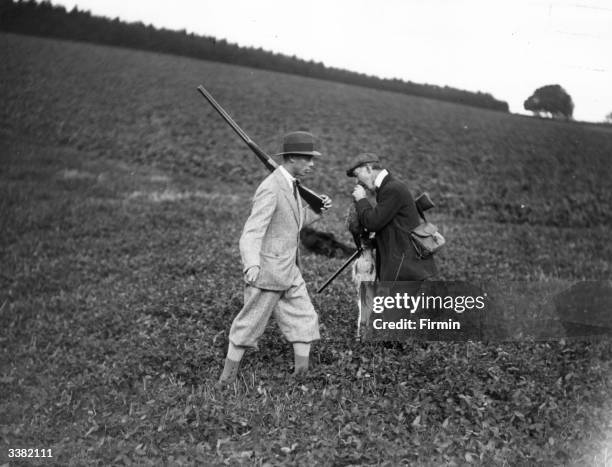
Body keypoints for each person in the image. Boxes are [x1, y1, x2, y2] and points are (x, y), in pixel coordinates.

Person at [217, 131, 332, 387]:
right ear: (292, 158)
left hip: (289, 270)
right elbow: (252, 230)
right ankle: (225, 381)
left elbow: (292, 223)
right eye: (308, 158)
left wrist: (316, 209)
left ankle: (301, 377)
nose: (312, 163)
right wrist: (252, 264)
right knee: (248, 325)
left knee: (305, 318)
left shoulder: (291, 185)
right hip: (267, 271)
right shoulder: (270, 188)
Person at [348, 153, 436, 282]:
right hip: (402, 266)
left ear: (368, 168)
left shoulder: (392, 189)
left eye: (357, 175)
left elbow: (372, 222)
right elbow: (393, 228)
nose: (357, 181)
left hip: (403, 268)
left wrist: (361, 199)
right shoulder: (389, 187)